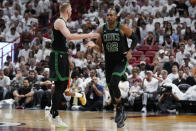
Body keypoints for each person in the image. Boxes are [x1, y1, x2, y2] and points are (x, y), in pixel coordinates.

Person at [48, 2, 99, 128]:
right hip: (58, 56)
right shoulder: (59, 22)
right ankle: (54, 114)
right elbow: (70, 37)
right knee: (60, 85)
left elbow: (64, 42)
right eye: (70, 9)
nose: (71, 11)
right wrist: (88, 35)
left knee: (63, 86)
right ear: (67, 11)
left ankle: (53, 112)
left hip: (62, 56)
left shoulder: (63, 23)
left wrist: (68, 60)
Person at [87, 9, 138, 128]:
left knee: (115, 82)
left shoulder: (122, 27)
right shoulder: (101, 29)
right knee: (111, 88)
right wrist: (94, 45)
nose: (108, 17)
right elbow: (99, 48)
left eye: (111, 15)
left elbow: (135, 38)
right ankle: (120, 108)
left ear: (115, 17)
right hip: (109, 62)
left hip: (121, 60)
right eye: (107, 15)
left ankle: (120, 109)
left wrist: (130, 51)